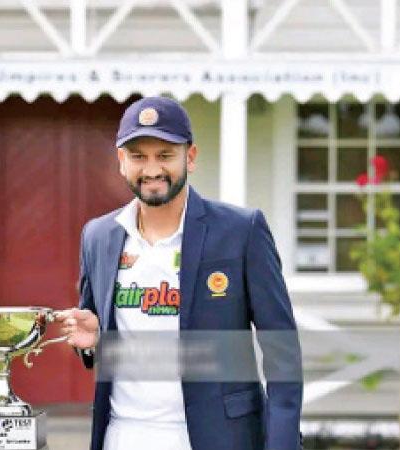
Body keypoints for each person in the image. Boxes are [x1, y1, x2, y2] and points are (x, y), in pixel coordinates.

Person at [56, 97, 303, 450]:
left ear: (190, 157)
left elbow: (283, 353)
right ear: (121, 162)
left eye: (165, 155)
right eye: (138, 156)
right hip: (122, 436)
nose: (152, 169)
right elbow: (97, 337)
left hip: (218, 439)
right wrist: (96, 343)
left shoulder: (241, 230)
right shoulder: (98, 236)